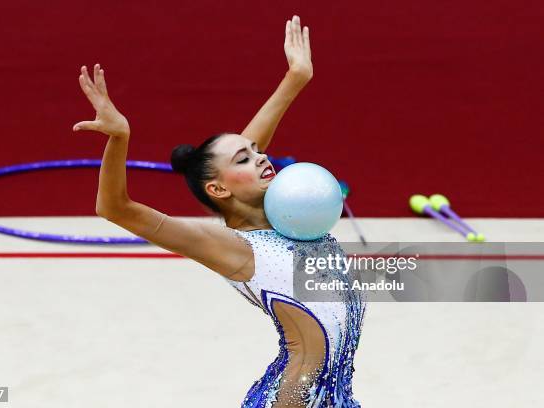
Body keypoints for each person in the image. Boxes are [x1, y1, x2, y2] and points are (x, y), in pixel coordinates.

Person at [73, 15, 366, 408]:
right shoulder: (233, 247)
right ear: (218, 189)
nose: (262, 158)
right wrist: (119, 139)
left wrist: (296, 77)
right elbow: (114, 208)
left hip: (335, 398)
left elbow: (243, 149)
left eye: (259, 152)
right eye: (246, 159)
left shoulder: (281, 218)